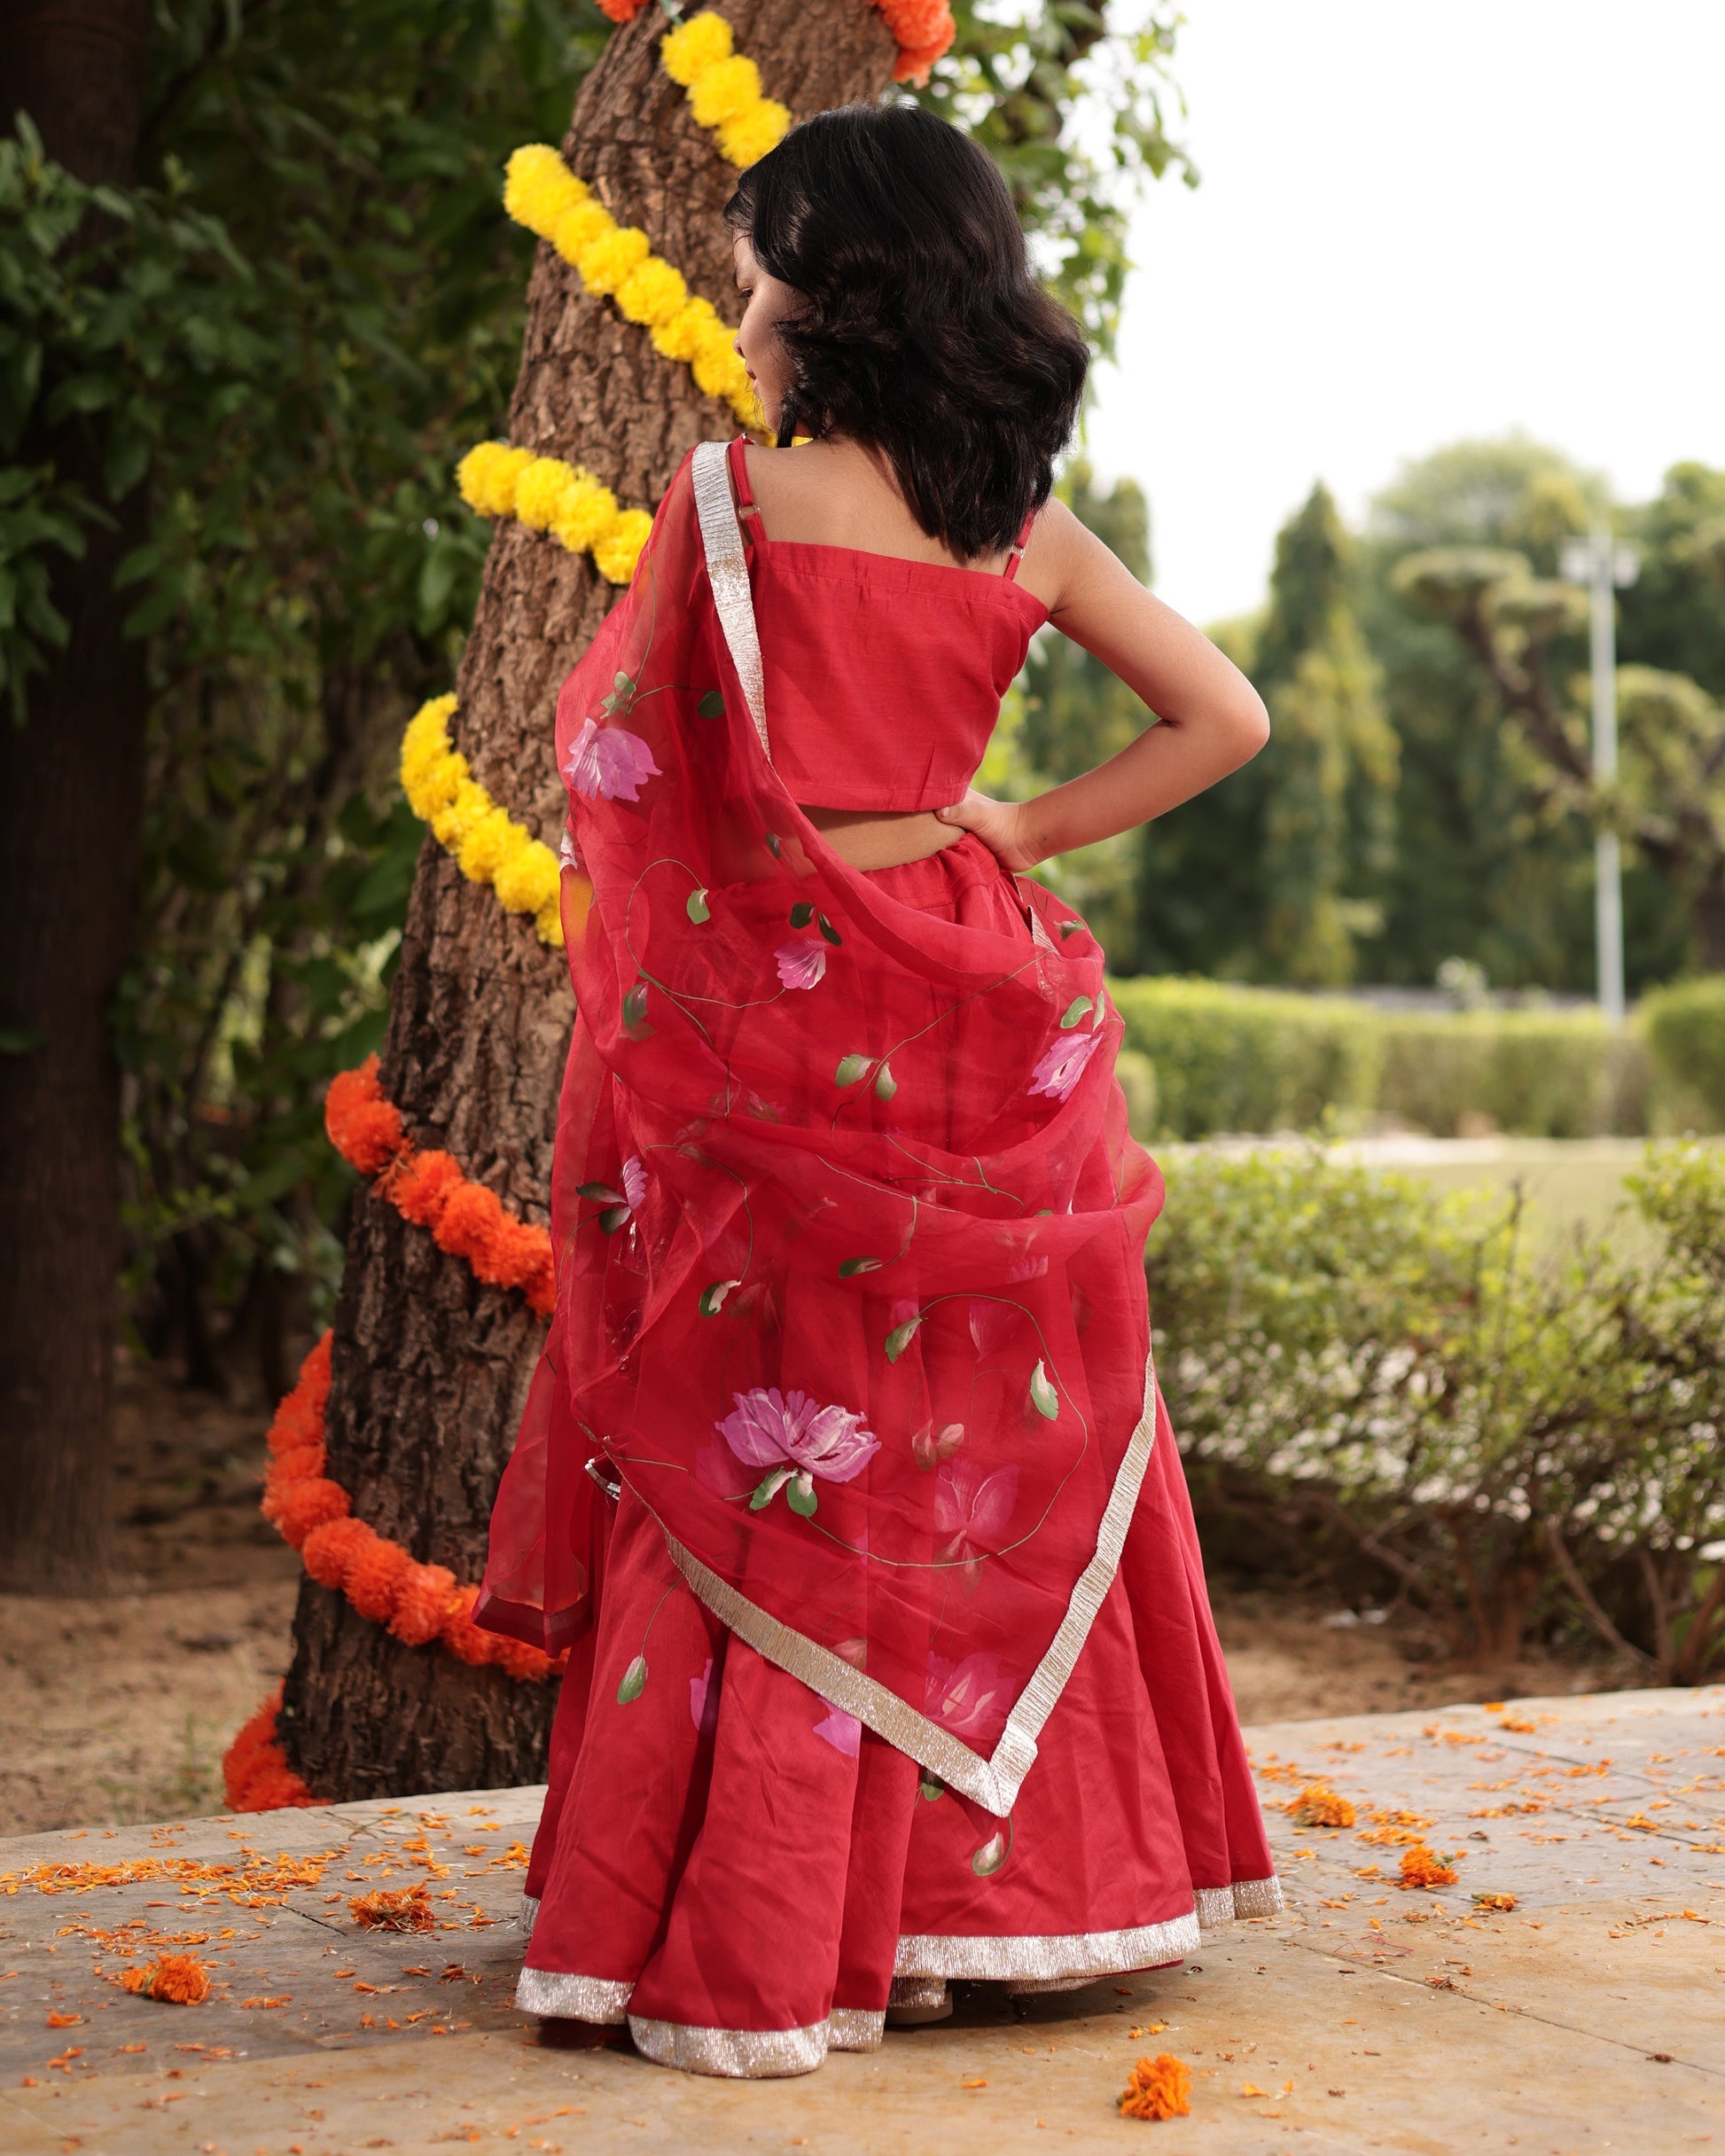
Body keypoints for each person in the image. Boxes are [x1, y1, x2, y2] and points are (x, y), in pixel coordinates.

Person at [477, 99, 1276, 2080]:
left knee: (776, 1443)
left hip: (775, 1013)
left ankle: (786, 1912)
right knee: (968, 1432)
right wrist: (1019, 824)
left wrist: (678, 967)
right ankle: (994, 1904)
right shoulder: (1017, 521)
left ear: (830, 284)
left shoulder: (727, 507)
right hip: (976, 997)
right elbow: (1223, 714)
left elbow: (620, 778)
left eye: (754, 270)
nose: (739, 310)